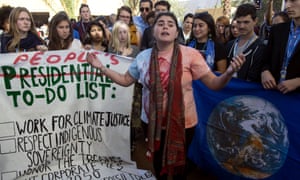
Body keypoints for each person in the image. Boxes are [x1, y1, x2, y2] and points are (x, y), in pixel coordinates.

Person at [87, 12, 245, 180]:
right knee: (157, 163)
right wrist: (101, 67)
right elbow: (126, 80)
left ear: (176, 33)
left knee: (180, 167)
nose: (165, 27)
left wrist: (228, 73)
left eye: (170, 24)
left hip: (184, 123)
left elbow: (214, 84)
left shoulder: (190, 55)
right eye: (160, 23)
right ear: (153, 31)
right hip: (151, 123)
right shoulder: (142, 57)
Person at [261, 0, 300, 94]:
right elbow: (265, 59)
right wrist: (264, 72)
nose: (287, 5)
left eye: (293, 0)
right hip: (274, 93)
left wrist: (298, 82)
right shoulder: (277, 29)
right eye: (286, 1)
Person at [225, 3, 266, 82]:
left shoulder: (261, 47)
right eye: (239, 22)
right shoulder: (230, 45)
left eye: (246, 22)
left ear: (255, 21)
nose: (241, 26)